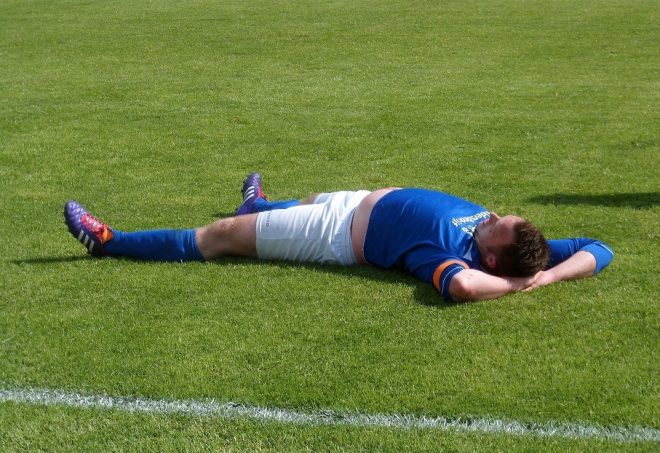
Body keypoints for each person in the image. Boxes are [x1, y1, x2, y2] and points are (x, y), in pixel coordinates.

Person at [64, 173, 614, 302]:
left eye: (496, 223)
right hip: (354, 203)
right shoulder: (522, 248)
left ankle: (110, 241)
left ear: (493, 256)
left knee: (222, 236)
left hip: (334, 235)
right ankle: (258, 205)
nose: (492, 214)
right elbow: (600, 248)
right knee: (303, 199)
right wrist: (549, 273)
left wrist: (525, 284)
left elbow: (463, 287)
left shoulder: (452, 259)